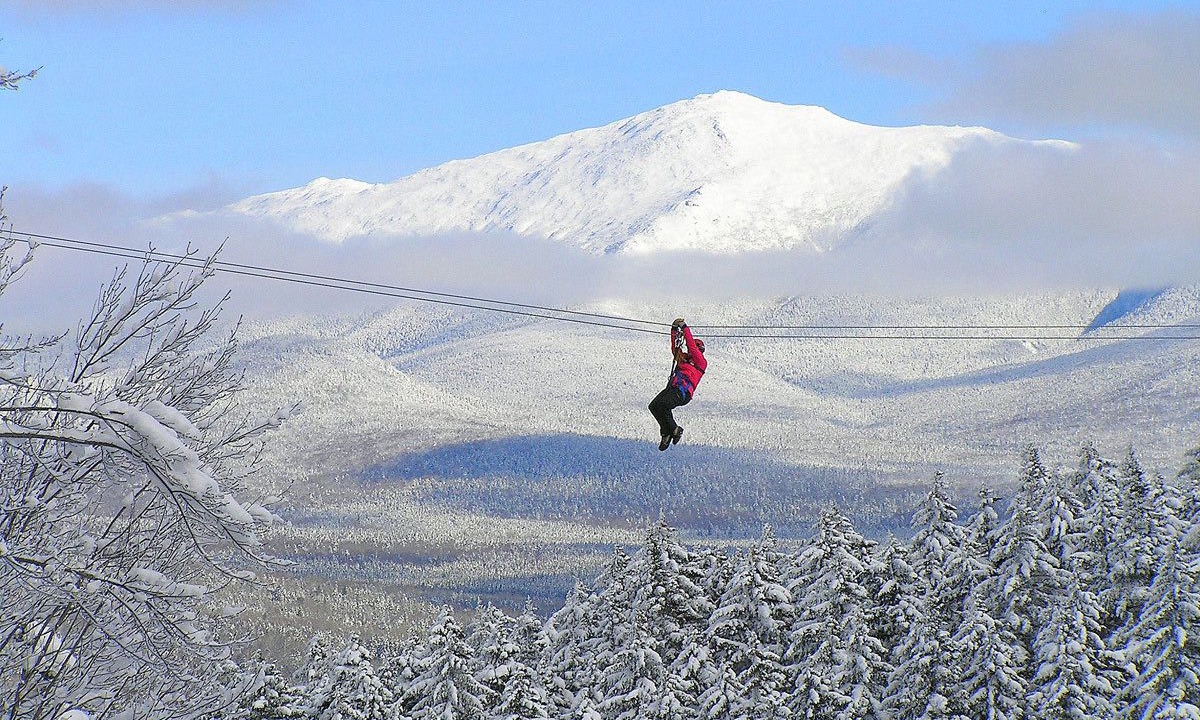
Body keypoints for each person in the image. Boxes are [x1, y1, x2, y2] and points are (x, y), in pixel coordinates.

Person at [649, 317, 707, 451]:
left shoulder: (701, 362)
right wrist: (674, 330)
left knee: (662, 405)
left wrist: (684, 327)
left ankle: (675, 429)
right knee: (654, 406)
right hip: (674, 388)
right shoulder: (684, 360)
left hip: (682, 392)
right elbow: (674, 348)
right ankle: (666, 433)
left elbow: (692, 346)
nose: (691, 351)